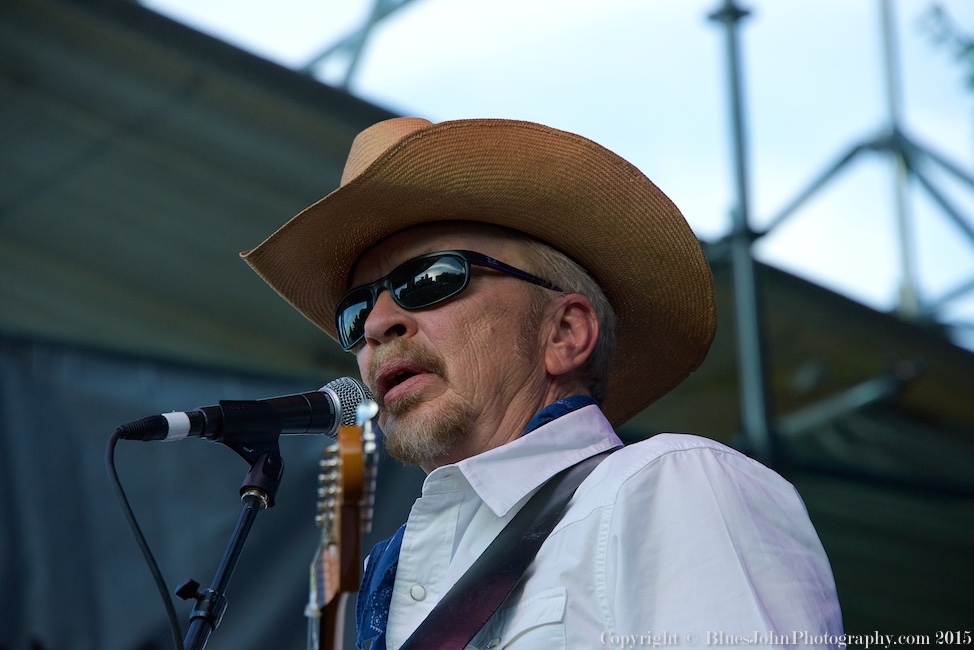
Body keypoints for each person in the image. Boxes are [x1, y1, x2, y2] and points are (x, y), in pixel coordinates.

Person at [242, 117, 844, 649]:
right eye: (355, 312)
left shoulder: (668, 484)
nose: (375, 325)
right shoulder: (384, 577)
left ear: (564, 332)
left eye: (428, 279)